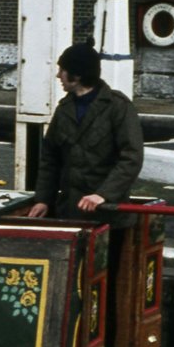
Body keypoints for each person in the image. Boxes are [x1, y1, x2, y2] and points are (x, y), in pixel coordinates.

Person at [28, 42, 143, 226]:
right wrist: (43, 199)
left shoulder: (118, 107)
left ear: (77, 75)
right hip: (69, 212)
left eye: (62, 70)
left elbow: (131, 157)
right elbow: (50, 158)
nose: (58, 75)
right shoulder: (64, 109)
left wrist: (103, 195)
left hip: (108, 216)